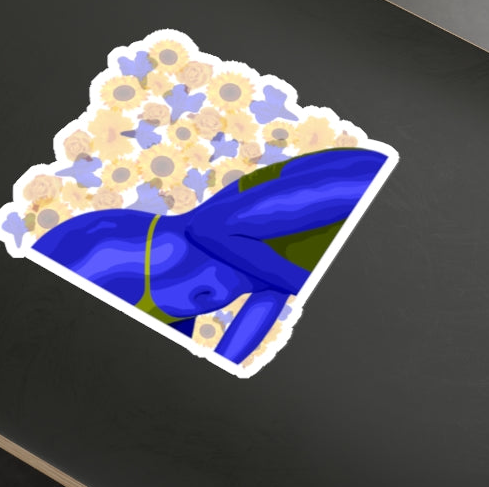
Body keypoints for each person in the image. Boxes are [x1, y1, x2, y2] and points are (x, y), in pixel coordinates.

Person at [34, 147, 387, 363]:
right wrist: (307, 284)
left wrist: (224, 362)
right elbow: (211, 229)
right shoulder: (364, 178)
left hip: (173, 311)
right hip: (121, 261)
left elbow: (271, 289)